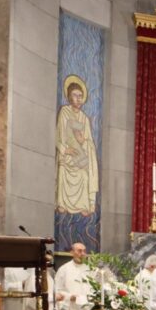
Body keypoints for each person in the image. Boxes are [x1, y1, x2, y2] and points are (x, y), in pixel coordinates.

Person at [56, 77, 99, 215]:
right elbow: (57, 137)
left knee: (84, 175)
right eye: (75, 95)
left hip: (79, 157)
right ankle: (61, 203)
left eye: (80, 96)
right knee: (62, 170)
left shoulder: (84, 118)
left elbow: (89, 142)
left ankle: (84, 205)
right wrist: (65, 149)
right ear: (69, 96)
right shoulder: (64, 112)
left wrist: (83, 141)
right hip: (67, 156)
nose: (78, 99)